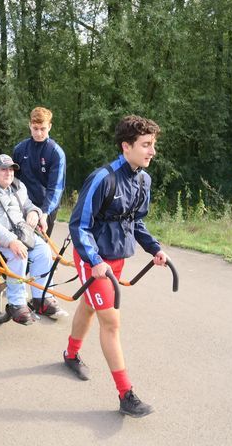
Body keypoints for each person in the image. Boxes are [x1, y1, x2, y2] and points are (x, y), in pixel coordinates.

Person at [63, 115, 169, 418]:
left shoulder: (144, 180)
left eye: (153, 145)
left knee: (90, 306)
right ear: (126, 146)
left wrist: (155, 248)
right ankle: (126, 394)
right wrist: (94, 261)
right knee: (111, 322)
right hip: (94, 260)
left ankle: (70, 354)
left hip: (118, 259)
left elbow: (136, 221)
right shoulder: (103, 178)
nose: (152, 151)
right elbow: (79, 225)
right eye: (146, 145)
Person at [0, 154, 66, 324]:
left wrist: (34, 213)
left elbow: (29, 204)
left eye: (11, 169)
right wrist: (11, 241)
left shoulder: (18, 186)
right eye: (3, 169)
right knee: (19, 254)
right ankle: (17, 304)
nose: (8, 173)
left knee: (43, 250)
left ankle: (41, 298)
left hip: (20, 233)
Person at [13, 107, 66, 237]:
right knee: (21, 243)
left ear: (50, 127)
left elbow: (55, 188)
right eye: (35, 129)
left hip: (45, 206)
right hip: (24, 204)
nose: (39, 133)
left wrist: (44, 212)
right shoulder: (20, 149)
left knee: (41, 245)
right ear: (30, 126)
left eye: (43, 129)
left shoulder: (56, 153)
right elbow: (13, 180)